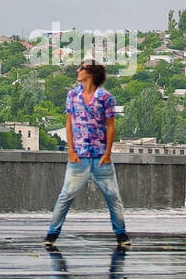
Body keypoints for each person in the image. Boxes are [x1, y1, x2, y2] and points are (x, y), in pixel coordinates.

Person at [45, 59, 131, 249]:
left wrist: (108, 154)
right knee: (66, 195)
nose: (78, 71)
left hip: (100, 157)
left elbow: (110, 126)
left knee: (112, 197)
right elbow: (68, 123)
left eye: (82, 68)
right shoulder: (72, 95)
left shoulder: (105, 98)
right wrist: (71, 151)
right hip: (79, 157)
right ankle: (52, 234)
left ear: (90, 73)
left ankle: (121, 235)